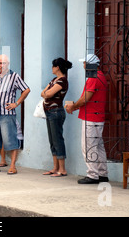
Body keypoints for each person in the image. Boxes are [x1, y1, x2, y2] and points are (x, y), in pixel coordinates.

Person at [0, 54, 30, 175]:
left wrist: (16, 103)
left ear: (8, 64)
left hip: (7, 113)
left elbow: (26, 89)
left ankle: (13, 166)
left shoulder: (14, 76)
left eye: (3, 63)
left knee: (10, 140)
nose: (1, 65)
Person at [65, 54, 109, 184]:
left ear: (90, 64)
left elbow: (85, 98)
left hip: (91, 118)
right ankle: (102, 174)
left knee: (88, 146)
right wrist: (75, 107)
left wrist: (73, 107)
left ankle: (92, 175)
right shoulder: (101, 77)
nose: (83, 66)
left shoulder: (93, 78)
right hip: (97, 116)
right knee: (98, 146)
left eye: (84, 63)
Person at [41, 57, 72, 177]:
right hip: (49, 112)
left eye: (53, 66)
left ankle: (62, 169)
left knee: (57, 140)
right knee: (52, 140)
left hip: (56, 112)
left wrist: (46, 93)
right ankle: (55, 167)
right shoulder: (55, 79)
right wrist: (46, 93)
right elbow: (43, 93)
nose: (51, 68)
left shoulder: (62, 81)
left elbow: (47, 93)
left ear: (57, 67)